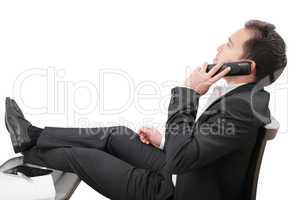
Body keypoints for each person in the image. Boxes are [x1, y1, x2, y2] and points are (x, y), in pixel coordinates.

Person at [4, 19, 287, 200]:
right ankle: (32, 135)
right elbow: (204, 149)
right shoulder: (244, 98)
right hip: (185, 173)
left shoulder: (241, 109)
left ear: (247, 67)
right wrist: (163, 140)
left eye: (228, 44)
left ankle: (27, 157)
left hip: (173, 191)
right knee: (117, 135)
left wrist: (189, 93)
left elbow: (181, 159)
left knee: (81, 157)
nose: (218, 47)